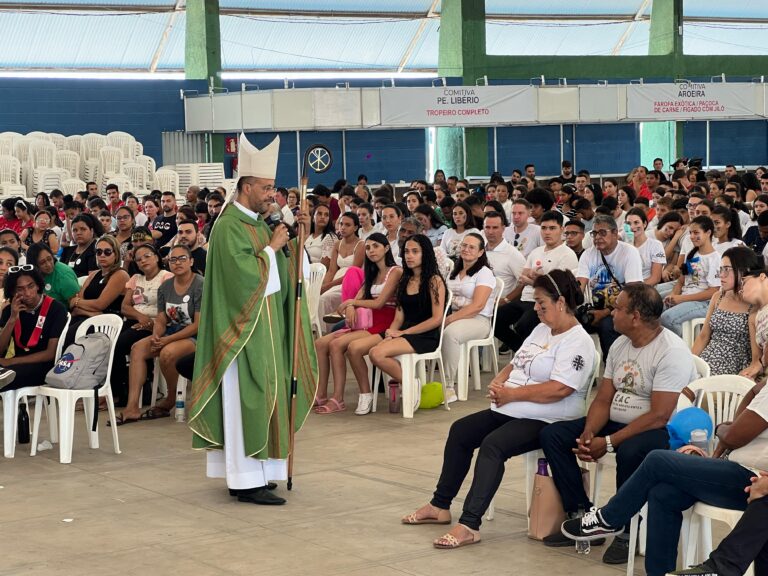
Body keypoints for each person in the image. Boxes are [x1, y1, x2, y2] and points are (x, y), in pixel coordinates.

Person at [560, 284, 768, 576]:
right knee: (663, 492)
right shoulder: (764, 388)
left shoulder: (670, 349)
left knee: (657, 459)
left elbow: (734, 434)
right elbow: (739, 427)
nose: (763, 350)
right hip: (739, 471)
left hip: (749, 477)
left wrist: (722, 428)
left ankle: (610, 517)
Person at [402, 270, 595, 549]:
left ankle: (469, 524)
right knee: (461, 431)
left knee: (494, 445)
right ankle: (439, 505)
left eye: (542, 304)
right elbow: (518, 361)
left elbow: (559, 389)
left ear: (561, 302)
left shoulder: (578, 342)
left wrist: (512, 393)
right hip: (512, 405)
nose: (537, 310)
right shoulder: (542, 328)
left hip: (548, 416)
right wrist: (500, 380)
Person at [189, 134, 317, 506]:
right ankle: (244, 480)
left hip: (265, 326)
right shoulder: (229, 225)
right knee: (246, 399)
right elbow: (243, 277)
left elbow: (281, 266)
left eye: (273, 187)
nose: (272, 195)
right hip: (240, 332)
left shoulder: (256, 223)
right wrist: (274, 247)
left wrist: (296, 239)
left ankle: (261, 473)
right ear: (246, 187)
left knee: (264, 398)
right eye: (266, 187)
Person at [541, 284, 696, 563]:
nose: (612, 312)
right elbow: (603, 399)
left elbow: (660, 415)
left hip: (659, 431)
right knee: (554, 435)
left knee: (630, 450)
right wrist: (590, 433)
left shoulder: (671, 351)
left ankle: (626, 528)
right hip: (617, 421)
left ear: (635, 316)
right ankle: (583, 515)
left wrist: (610, 442)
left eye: (618, 308)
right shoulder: (621, 344)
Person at [313, 233, 402, 415]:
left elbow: (379, 303)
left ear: (386, 248)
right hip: (368, 319)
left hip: (385, 319)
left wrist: (351, 303)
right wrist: (351, 305)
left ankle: (339, 398)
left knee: (337, 345)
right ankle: (321, 393)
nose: (371, 251)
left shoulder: (395, 271)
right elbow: (358, 297)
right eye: (368, 247)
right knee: (320, 343)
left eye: (376, 246)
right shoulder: (371, 273)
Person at [116, 245, 202, 424]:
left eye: (182, 259)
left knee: (167, 352)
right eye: (173, 259)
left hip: (196, 335)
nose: (177, 263)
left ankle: (170, 398)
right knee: (138, 348)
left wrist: (166, 340)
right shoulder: (165, 287)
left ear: (191, 261)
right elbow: (162, 319)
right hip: (170, 332)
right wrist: (156, 335)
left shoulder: (200, 284)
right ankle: (132, 406)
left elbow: (198, 324)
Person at [369, 235, 447, 392]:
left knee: (377, 353)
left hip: (425, 335)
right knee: (372, 351)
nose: (409, 256)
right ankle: (410, 383)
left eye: (415, 251)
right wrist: (391, 333)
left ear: (425, 254)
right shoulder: (405, 279)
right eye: (406, 251)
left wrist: (403, 332)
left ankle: (411, 384)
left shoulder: (434, 280)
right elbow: (399, 317)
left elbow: (436, 319)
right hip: (404, 332)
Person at [496, 210, 578, 352]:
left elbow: (558, 287)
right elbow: (523, 276)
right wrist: (539, 279)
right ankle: (522, 351)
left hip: (548, 301)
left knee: (523, 324)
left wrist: (534, 280)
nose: (547, 232)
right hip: (526, 298)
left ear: (562, 230)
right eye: (544, 228)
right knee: (495, 319)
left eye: (552, 228)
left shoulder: (567, 254)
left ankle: (532, 353)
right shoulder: (536, 251)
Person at [110, 243, 173, 407]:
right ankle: (119, 389)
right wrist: (141, 318)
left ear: (157, 257)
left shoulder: (167, 277)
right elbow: (125, 307)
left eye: (147, 256)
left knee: (120, 344)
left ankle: (130, 391)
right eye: (138, 259)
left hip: (157, 323)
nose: (143, 261)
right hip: (136, 320)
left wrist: (150, 323)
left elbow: (168, 308)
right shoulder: (135, 279)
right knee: (109, 343)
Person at [440, 233, 497, 403]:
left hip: (479, 320)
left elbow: (478, 305)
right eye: (464, 245)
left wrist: (449, 319)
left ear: (481, 252)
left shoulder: (484, 273)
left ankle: (449, 387)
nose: (466, 249)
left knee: (450, 334)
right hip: (456, 315)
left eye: (472, 247)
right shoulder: (454, 271)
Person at [577, 214, 644, 357]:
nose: (597, 237)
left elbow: (633, 291)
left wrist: (605, 312)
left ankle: (612, 369)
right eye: (594, 233)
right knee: (571, 323)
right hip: (595, 306)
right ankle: (581, 368)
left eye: (602, 232)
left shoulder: (629, 252)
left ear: (615, 233)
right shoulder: (588, 255)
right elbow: (580, 285)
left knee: (608, 325)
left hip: (624, 307)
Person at [692, 246, 761, 378]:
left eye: (727, 270)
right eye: (721, 269)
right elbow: (703, 336)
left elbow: (755, 358)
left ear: (744, 271)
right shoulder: (718, 297)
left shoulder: (754, 305)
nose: (721, 275)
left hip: (732, 369)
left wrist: (749, 373)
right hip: (706, 361)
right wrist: (689, 361)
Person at [0, 265, 68, 391]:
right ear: (13, 292)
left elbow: (50, 353)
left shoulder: (56, 308)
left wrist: (10, 362)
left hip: (45, 366)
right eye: (20, 289)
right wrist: (12, 319)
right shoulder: (10, 310)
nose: (27, 293)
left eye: (30, 286)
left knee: (6, 376)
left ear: (38, 285)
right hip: (17, 365)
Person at [661, 216, 722, 336]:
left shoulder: (715, 258)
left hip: (704, 303)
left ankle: (683, 347)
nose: (692, 236)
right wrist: (673, 295)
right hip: (687, 296)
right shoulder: (692, 253)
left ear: (708, 233)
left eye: (696, 232)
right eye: (690, 233)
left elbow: (713, 291)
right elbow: (681, 281)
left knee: (667, 318)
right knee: (655, 309)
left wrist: (681, 299)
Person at [65, 235, 130, 346]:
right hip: (88, 318)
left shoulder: (120, 274)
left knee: (70, 335)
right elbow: (75, 306)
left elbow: (100, 304)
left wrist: (77, 302)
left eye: (107, 252)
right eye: (99, 252)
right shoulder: (94, 274)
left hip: (107, 324)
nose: (102, 255)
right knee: (59, 331)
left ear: (116, 255)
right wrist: (91, 312)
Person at [319, 213, 364, 329]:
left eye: (347, 225)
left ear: (355, 228)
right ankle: (316, 331)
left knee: (324, 299)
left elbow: (354, 272)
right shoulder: (337, 244)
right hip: (335, 280)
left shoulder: (361, 245)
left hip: (350, 282)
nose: (343, 227)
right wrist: (323, 286)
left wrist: (328, 286)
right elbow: (331, 270)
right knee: (317, 295)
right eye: (341, 224)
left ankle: (325, 331)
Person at [482, 211, 525, 304]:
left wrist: (506, 300)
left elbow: (524, 283)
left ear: (503, 228)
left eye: (495, 228)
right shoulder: (479, 250)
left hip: (498, 308)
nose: (490, 231)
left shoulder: (513, 254)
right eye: (487, 227)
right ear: (483, 228)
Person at [25, 243, 79, 310]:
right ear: (34, 265)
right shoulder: (32, 275)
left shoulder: (63, 276)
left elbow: (76, 305)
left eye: (49, 259)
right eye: (42, 263)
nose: (48, 264)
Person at [625, 208, 665, 286]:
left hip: (646, 289)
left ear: (645, 224)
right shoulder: (624, 246)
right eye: (629, 223)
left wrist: (632, 289)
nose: (632, 227)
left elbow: (656, 278)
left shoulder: (656, 245)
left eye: (636, 223)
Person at [59, 213, 103, 278]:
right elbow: (59, 272)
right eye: (75, 230)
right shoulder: (67, 251)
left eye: (83, 229)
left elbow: (92, 279)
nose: (78, 233)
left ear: (91, 231)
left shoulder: (96, 252)